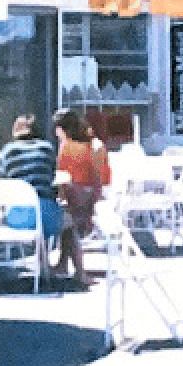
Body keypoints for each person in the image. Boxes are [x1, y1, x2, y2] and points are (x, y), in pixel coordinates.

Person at [0, 113, 82, 281]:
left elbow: (1, 184)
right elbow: (51, 178)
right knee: (69, 224)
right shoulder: (47, 149)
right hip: (46, 216)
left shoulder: (7, 152)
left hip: (18, 218)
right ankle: (79, 272)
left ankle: (43, 267)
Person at [53, 108, 110, 280]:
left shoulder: (91, 147)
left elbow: (99, 181)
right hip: (76, 196)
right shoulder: (73, 145)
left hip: (89, 199)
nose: (55, 132)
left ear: (64, 129)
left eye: (57, 128)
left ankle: (76, 270)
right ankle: (64, 264)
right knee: (65, 214)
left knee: (67, 220)